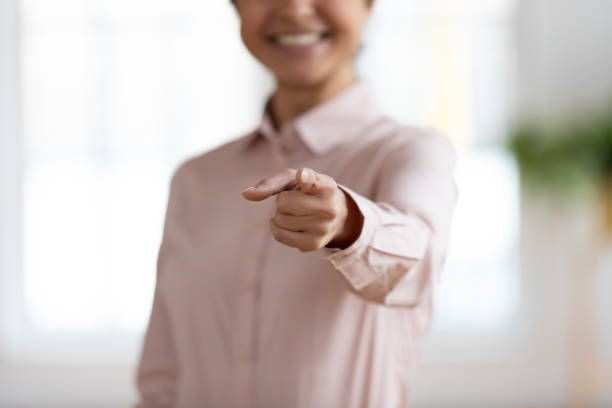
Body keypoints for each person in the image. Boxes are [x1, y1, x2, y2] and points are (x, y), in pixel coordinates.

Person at [135, 0, 458, 406]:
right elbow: (164, 370)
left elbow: (415, 265)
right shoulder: (195, 179)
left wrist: (349, 226)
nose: (296, 9)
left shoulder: (410, 153)